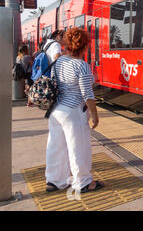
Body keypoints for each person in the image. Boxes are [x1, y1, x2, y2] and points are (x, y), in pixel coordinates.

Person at [45, 27, 103, 193]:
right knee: (79, 147)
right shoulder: (82, 66)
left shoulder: (59, 62)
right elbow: (87, 93)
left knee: (56, 147)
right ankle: (83, 182)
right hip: (73, 111)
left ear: (67, 45)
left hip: (56, 110)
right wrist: (95, 114)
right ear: (84, 46)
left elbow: (56, 84)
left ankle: (54, 181)